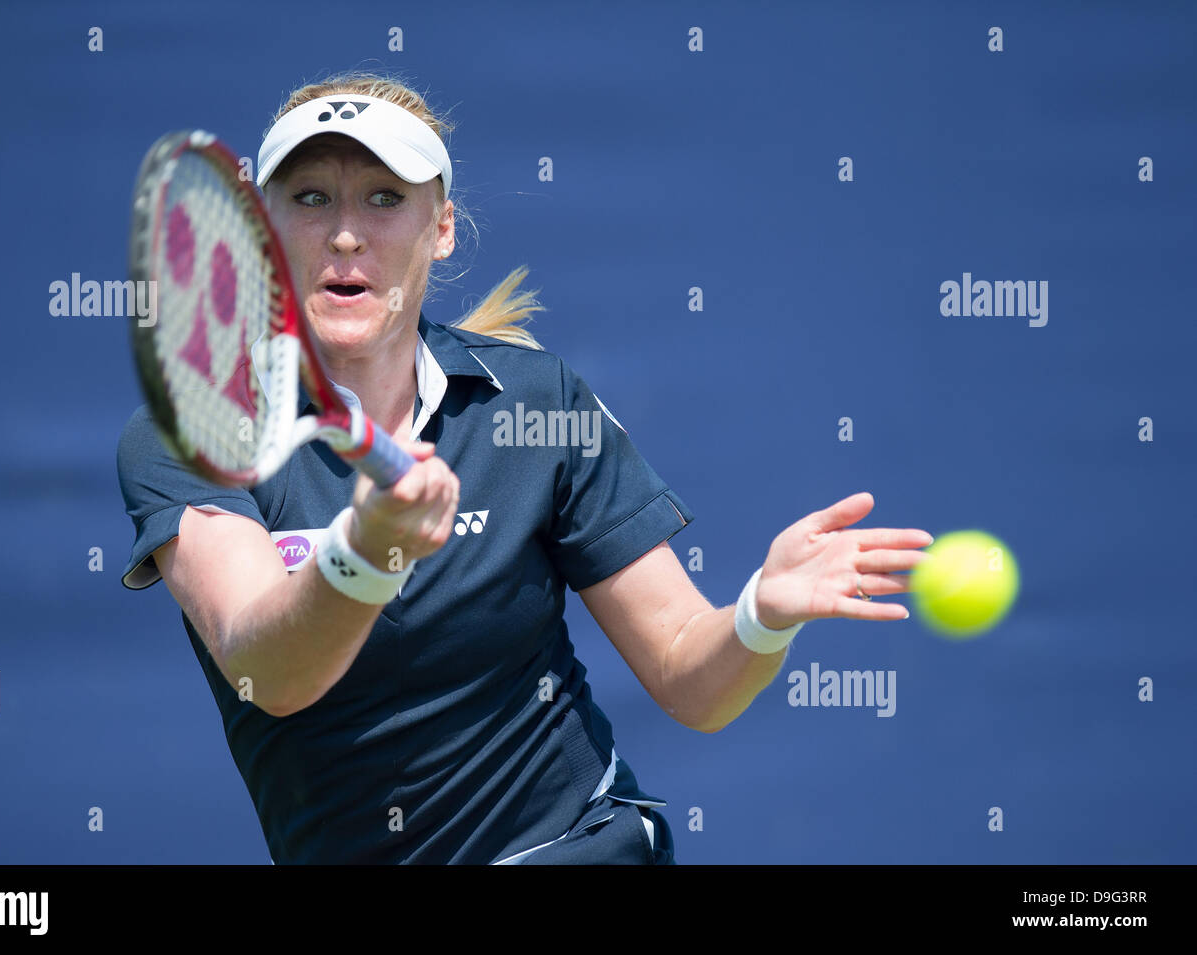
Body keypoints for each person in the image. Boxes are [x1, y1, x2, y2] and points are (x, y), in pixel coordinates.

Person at [117, 71, 933, 864]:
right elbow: (268, 668)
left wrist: (760, 612)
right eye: (310, 197)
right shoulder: (189, 436)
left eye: (385, 197)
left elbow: (691, 676)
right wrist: (364, 552)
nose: (344, 234)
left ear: (441, 226)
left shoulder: (535, 403)